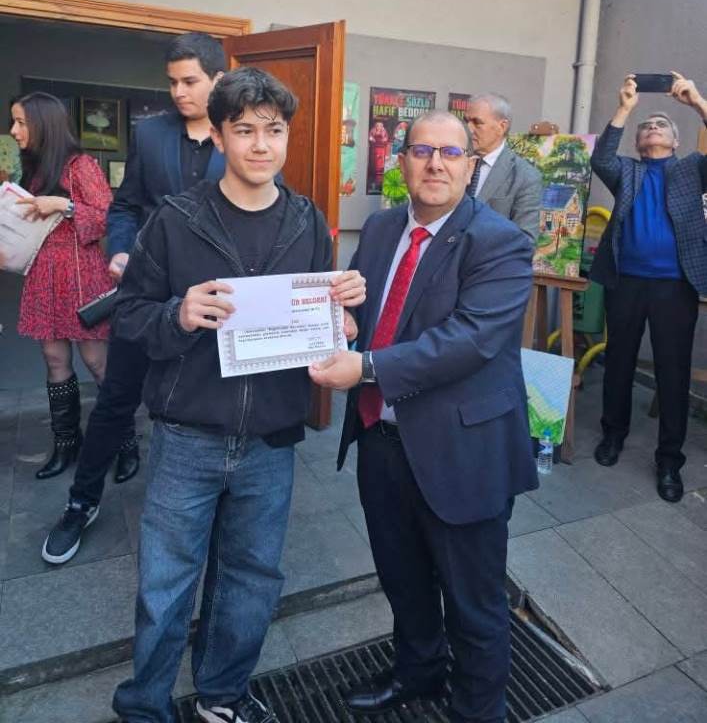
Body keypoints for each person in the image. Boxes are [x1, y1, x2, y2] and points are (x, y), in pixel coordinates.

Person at [110, 67, 365, 723]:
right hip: (186, 435)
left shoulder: (307, 221)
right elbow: (129, 315)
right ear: (219, 137)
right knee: (165, 585)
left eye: (273, 130)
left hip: (270, 440)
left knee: (251, 581)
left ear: (287, 137)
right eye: (244, 130)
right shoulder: (175, 220)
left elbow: (323, 323)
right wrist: (176, 314)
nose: (260, 144)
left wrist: (342, 321)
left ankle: (221, 696)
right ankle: (144, 706)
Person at [309, 109, 538, 723]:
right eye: (422, 151)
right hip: (382, 440)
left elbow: (470, 341)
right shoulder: (381, 228)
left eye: (451, 152)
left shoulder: (500, 242)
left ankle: (477, 709)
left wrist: (365, 367)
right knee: (403, 579)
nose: (436, 163)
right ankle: (418, 673)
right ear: (402, 161)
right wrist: (346, 322)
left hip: (462, 453)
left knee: (473, 601)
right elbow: (376, 314)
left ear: (471, 166)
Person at [42, 31, 227, 565]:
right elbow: (124, 205)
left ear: (218, 79)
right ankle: (81, 503)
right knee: (115, 402)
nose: (179, 92)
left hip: (213, 303)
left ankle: (215, 511)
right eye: (172, 82)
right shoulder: (149, 135)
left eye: (190, 81)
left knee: (208, 409)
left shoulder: (239, 135)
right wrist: (120, 250)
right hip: (145, 296)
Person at [591, 72, 707, 503]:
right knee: (618, 362)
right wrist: (625, 108)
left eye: (661, 125)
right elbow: (601, 158)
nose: (653, 127)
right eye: (647, 126)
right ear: (639, 143)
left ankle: (669, 460)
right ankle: (613, 434)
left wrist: (696, 102)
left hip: (675, 287)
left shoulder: (692, 168)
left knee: (672, 372)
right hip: (626, 282)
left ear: (675, 142)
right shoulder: (628, 170)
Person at [9, 92, 113, 478]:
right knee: (54, 359)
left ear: (43, 124)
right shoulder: (33, 170)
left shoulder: (80, 165)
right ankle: (67, 444)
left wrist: (63, 205)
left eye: (21, 122)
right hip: (44, 276)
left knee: (97, 363)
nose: (13, 130)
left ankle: (123, 441)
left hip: (82, 276)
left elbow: (107, 217)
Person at [463, 92, 542, 240]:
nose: (468, 128)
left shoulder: (525, 177)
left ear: (502, 127)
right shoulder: (456, 161)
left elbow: (525, 240)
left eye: (477, 122)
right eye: (466, 121)